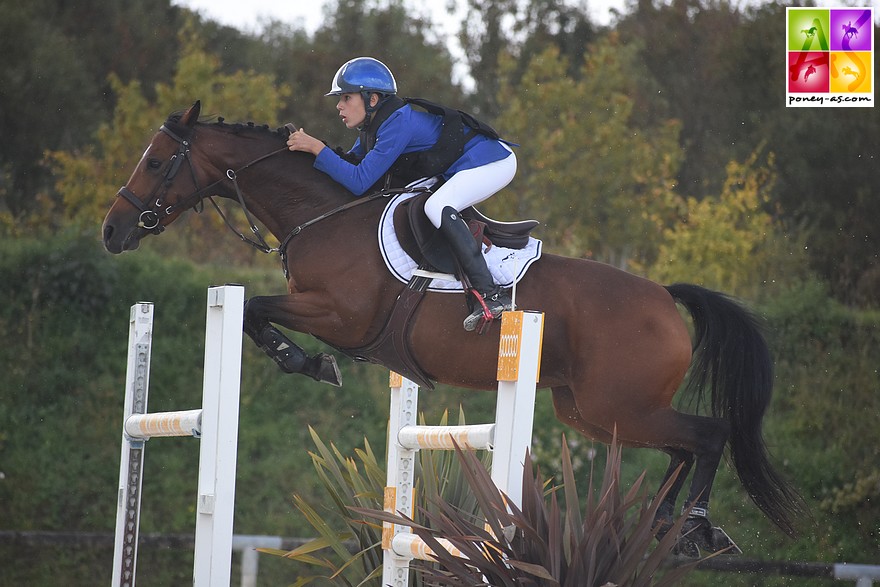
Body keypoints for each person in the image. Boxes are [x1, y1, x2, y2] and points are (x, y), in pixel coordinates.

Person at [287, 56, 517, 332]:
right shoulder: (374, 128)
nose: (339, 105)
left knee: (437, 206)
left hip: (493, 161)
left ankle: (490, 294)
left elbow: (359, 182)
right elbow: (350, 166)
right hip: (460, 166)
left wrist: (317, 148)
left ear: (372, 99)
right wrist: (309, 155)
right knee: (431, 203)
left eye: (346, 97)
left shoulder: (398, 123)